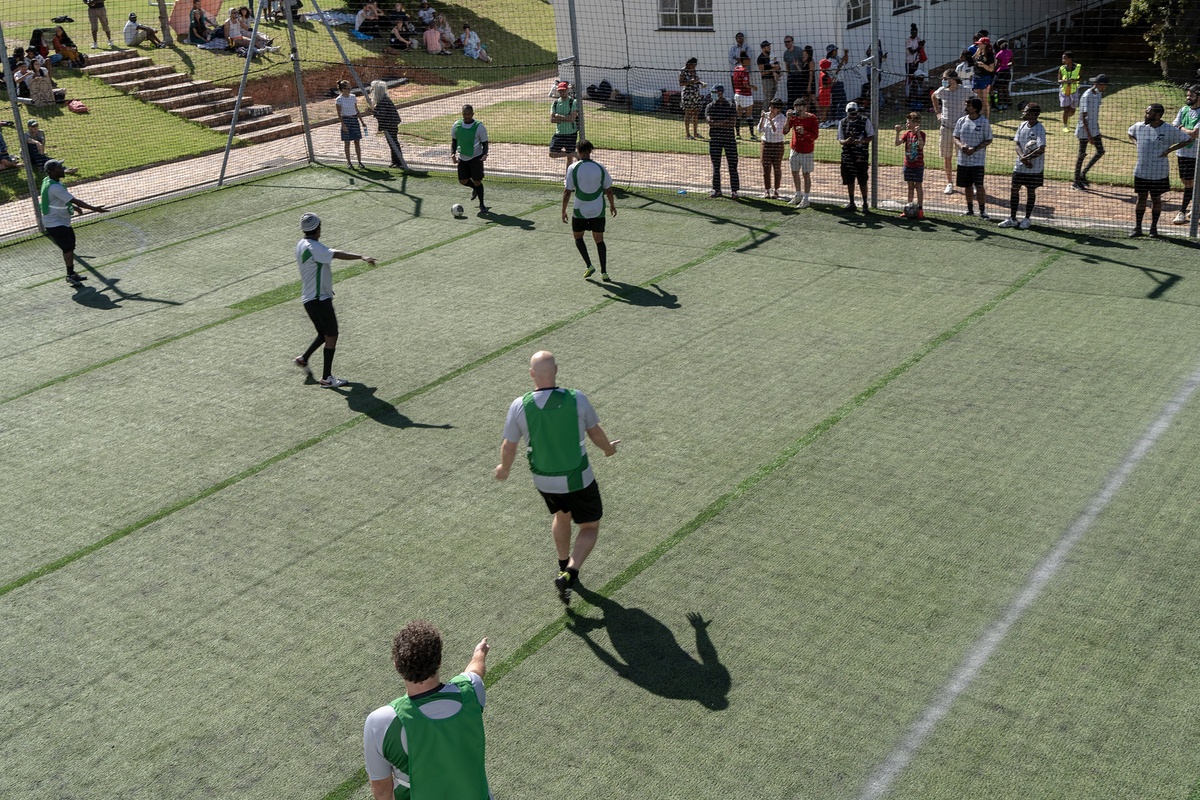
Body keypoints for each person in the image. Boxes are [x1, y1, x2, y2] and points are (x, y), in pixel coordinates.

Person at [495, 350, 619, 603]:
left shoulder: (519, 405)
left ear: (532, 375)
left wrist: (504, 469)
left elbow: (509, 446)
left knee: (561, 515)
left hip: (544, 481)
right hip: (577, 478)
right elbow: (594, 432)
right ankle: (570, 572)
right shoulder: (577, 398)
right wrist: (608, 449)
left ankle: (562, 563)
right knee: (589, 526)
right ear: (556, 371)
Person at [363, 621, 492, 800]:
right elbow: (476, 670)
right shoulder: (472, 691)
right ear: (439, 661)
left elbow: (382, 793)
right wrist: (479, 653)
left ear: (396, 665)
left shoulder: (380, 722)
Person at [292, 212, 375, 388]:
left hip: (309, 298)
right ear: (318, 228)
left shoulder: (301, 244)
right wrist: (361, 256)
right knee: (332, 334)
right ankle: (326, 378)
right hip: (319, 300)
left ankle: (303, 359)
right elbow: (335, 254)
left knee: (324, 333)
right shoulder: (316, 248)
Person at [1128, 103, 1194, 238]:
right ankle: (1138, 228)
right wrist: (1136, 144)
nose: (1145, 115)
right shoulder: (1139, 127)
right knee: (1141, 198)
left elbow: (1187, 139)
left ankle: (1153, 229)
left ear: (1157, 115)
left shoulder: (1169, 129)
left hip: (1159, 172)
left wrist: (1170, 150)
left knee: (1156, 199)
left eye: (1148, 113)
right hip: (1141, 171)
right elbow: (1130, 133)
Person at [40, 160, 108, 286]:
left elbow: (60, 200)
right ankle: (70, 275)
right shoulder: (55, 187)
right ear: (52, 171)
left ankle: (71, 273)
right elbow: (75, 200)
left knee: (70, 246)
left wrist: (74, 208)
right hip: (55, 222)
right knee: (68, 248)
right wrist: (95, 209)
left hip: (60, 221)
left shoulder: (49, 181)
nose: (62, 169)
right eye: (59, 167)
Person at [562, 139, 616, 280]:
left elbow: (567, 191)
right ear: (591, 151)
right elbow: (608, 190)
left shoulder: (573, 168)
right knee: (599, 240)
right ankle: (604, 272)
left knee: (578, 237)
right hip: (598, 210)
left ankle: (589, 265)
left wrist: (563, 211)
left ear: (578, 151)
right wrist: (612, 206)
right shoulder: (600, 167)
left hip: (580, 210)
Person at [998, 102, 1047, 230]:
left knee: (1030, 191)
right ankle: (1012, 218)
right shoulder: (1022, 126)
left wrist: (1028, 158)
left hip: (1034, 168)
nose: (1023, 113)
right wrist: (1023, 158)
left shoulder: (1040, 129)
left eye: (1025, 111)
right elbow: (1017, 144)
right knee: (1014, 189)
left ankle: (1026, 219)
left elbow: (1042, 148)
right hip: (1020, 166)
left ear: (1033, 114)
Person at [932, 70, 971, 196]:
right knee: (947, 156)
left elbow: (975, 98)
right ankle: (949, 183)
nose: (943, 81)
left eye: (945, 78)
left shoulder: (964, 90)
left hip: (961, 131)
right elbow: (933, 96)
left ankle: (970, 183)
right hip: (946, 128)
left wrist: (970, 114)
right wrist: (938, 113)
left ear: (953, 79)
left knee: (964, 158)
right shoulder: (942, 91)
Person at [954, 96, 992, 218]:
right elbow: (955, 137)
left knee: (979, 185)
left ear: (975, 108)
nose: (966, 107)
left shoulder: (984, 122)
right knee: (967, 186)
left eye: (968, 105)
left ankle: (982, 211)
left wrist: (975, 149)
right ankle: (970, 209)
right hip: (963, 160)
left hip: (978, 161)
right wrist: (962, 146)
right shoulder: (961, 121)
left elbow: (989, 139)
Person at [1072, 74, 1108, 190]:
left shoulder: (1098, 94)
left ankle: (1083, 174)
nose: (1106, 88)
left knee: (1100, 151)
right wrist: (1089, 136)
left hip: (1094, 129)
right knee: (1081, 154)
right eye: (1105, 85)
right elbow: (1083, 117)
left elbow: (1095, 114)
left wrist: (1097, 130)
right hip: (1084, 130)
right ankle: (1076, 181)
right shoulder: (1087, 96)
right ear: (1099, 84)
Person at [837, 101, 873, 212]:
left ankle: (865, 203)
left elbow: (871, 136)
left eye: (854, 113)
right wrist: (847, 141)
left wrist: (861, 142)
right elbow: (840, 139)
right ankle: (851, 202)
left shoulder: (864, 120)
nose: (852, 116)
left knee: (862, 180)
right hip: (848, 155)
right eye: (850, 113)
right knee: (849, 179)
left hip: (861, 155)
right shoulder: (842, 122)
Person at [1171, 85, 1200, 224]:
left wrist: (1181, 128)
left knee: (1191, 183)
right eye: (1188, 95)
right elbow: (1173, 127)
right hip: (1182, 152)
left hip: (1197, 154)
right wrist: (1182, 129)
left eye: (1191, 95)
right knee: (1185, 181)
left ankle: (1182, 212)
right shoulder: (1184, 110)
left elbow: (1195, 134)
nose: (1188, 97)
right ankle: (1195, 208)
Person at [705, 85, 739, 199]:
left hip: (729, 139)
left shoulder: (730, 105)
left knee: (733, 165)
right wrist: (724, 122)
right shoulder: (710, 106)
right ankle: (716, 190)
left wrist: (717, 123)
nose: (712, 94)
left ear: (721, 92)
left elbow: (732, 123)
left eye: (714, 92)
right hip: (715, 140)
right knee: (716, 166)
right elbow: (710, 123)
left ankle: (734, 191)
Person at [452, 104, 489, 212]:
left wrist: (485, 154)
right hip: (462, 158)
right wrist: (452, 153)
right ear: (462, 114)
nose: (467, 116)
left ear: (472, 114)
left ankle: (482, 205)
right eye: (465, 114)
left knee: (477, 181)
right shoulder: (457, 125)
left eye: (469, 114)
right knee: (462, 181)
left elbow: (485, 143)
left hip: (476, 158)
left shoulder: (479, 127)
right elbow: (454, 140)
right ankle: (475, 189)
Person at [784, 95, 818, 207]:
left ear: (805, 108)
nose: (799, 111)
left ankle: (806, 198)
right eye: (797, 108)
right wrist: (788, 118)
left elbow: (815, 136)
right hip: (795, 149)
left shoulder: (812, 118)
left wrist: (805, 133)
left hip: (807, 151)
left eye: (801, 108)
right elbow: (784, 131)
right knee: (794, 172)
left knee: (806, 174)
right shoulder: (793, 117)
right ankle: (798, 194)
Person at [369, 80, 408, 169]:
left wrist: (372, 111)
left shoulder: (383, 101)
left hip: (390, 124)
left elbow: (381, 114)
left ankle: (398, 161)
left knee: (393, 142)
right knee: (392, 142)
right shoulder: (383, 99)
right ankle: (395, 160)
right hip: (391, 124)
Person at [894, 111, 926, 219]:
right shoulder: (906, 134)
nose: (907, 124)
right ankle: (909, 208)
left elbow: (921, 146)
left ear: (916, 123)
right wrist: (898, 132)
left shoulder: (921, 134)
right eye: (907, 122)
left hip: (918, 165)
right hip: (908, 164)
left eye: (909, 122)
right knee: (910, 186)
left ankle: (920, 209)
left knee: (918, 185)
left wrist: (917, 134)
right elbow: (897, 143)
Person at [757, 98, 787, 199]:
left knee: (777, 168)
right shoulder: (765, 115)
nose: (771, 108)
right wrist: (762, 119)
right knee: (766, 167)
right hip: (766, 144)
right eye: (771, 106)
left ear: (778, 109)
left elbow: (776, 132)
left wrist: (770, 120)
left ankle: (776, 190)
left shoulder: (782, 118)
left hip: (777, 145)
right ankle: (767, 190)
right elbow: (759, 130)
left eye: (774, 107)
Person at [336, 80, 367, 169]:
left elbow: (356, 110)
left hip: (354, 120)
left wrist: (362, 122)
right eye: (348, 88)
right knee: (347, 143)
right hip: (346, 120)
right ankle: (349, 162)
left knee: (357, 142)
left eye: (350, 88)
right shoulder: (339, 99)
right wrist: (343, 125)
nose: (350, 90)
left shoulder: (353, 97)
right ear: (342, 89)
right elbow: (339, 114)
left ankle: (360, 162)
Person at [548, 82, 579, 166]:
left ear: (567, 90)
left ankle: (567, 177)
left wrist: (559, 116)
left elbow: (572, 118)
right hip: (559, 133)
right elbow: (552, 119)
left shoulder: (573, 102)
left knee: (569, 160)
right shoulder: (555, 103)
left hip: (571, 133)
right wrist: (565, 118)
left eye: (563, 91)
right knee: (552, 153)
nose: (562, 93)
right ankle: (573, 153)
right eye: (560, 91)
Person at [679, 58, 705, 140]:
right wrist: (690, 81)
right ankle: (687, 134)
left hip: (695, 94)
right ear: (689, 64)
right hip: (688, 94)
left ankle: (695, 133)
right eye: (693, 64)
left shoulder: (694, 71)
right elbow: (681, 83)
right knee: (688, 113)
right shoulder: (683, 71)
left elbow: (696, 81)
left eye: (695, 65)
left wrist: (701, 83)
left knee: (695, 113)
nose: (694, 66)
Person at [732, 53, 755, 140]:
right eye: (748, 59)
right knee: (749, 114)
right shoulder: (744, 70)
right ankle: (752, 135)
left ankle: (737, 134)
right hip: (746, 95)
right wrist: (753, 86)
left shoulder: (736, 69)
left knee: (739, 115)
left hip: (737, 94)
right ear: (744, 60)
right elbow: (745, 84)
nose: (749, 61)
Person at [972, 37, 996, 118]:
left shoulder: (989, 55)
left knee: (985, 99)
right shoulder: (979, 52)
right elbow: (972, 59)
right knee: (979, 98)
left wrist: (984, 65)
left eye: (980, 44)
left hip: (985, 78)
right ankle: (980, 116)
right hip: (976, 77)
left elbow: (992, 69)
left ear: (985, 44)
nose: (978, 45)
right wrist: (977, 52)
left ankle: (987, 118)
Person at [1058, 51, 1082, 133]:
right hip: (1064, 91)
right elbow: (1058, 80)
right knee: (1066, 109)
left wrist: (1074, 80)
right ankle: (1065, 125)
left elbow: (1081, 77)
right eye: (1062, 58)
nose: (1063, 60)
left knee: (1073, 110)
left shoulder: (1078, 67)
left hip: (1074, 90)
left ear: (1070, 59)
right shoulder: (1061, 68)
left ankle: (1068, 117)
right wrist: (1063, 81)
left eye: (1065, 58)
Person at [758, 41, 781, 105]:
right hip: (767, 80)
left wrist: (777, 68)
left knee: (772, 98)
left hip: (773, 79)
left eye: (769, 46)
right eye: (767, 46)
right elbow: (762, 73)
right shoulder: (760, 58)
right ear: (763, 48)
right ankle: (764, 112)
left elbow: (777, 64)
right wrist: (773, 70)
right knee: (768, 98)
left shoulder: (771, 55)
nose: (769, 47)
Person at [994, 39, 1014, 110]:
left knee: (1000, 89)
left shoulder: (999, 54)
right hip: (1007, 72)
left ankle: (1000, 104)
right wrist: (1006, 65)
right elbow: (1012, 62)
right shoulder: (1010, 52)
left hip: (1001, 72)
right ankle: (1007, 102)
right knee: (1005, 88)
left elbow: (996, 65)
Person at [905, 24, 922, 108]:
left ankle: (915, 95)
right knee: (909, 79)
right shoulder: (908, 41)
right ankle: (908, 96)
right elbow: (911, 51)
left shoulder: (917, 39)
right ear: (911, 32)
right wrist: (918, 48)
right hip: (909, 62)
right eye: (914, 33)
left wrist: (921, 44)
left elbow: (920, 47)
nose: (915, 34)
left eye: (916, 33)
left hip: (916, 61)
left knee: (915, 78)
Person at [816, 57, 832, 125]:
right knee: (825, 108)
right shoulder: (825, 75)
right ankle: (822, 122)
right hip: (825, 93)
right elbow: (825, 86)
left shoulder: (821, 73)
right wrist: (833, 83)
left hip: (822, 92)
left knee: (823, 108)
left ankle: (822, 121)